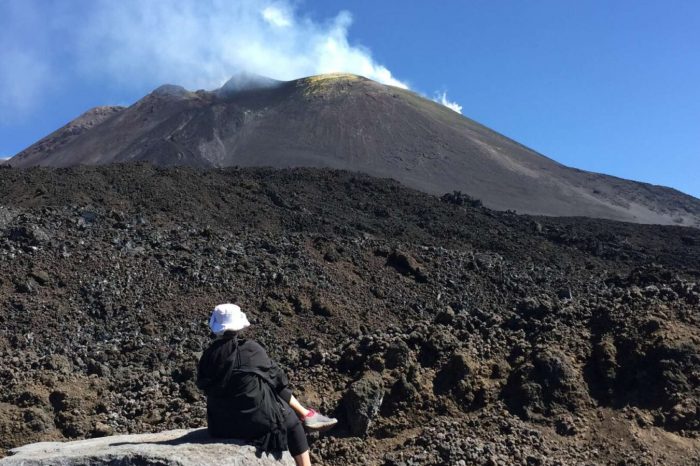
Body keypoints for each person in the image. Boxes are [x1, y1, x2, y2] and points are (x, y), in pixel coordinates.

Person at [197, 303, 337, 466]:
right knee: (291, 422)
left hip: (219, 425)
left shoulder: (207, 356)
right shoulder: (250, 350)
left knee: (262, 384)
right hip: (253, 424)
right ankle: (305, 418)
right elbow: (278, 379)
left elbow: (202, 385)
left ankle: (306, 414)